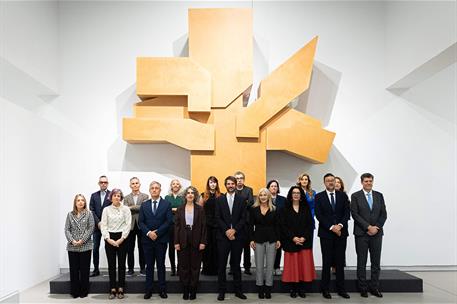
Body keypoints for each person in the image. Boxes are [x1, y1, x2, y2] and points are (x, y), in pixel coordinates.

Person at [351, 173, 387, 298]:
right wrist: (368, 227)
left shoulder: (379, 196)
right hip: (362, 234)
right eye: (366, 181)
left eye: (370, 181)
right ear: (362, 182)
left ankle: (374, 287)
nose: (368, 183)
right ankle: (363, 288)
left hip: (377, 234)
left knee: (375, 262)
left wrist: (376, 227)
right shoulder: (355, 196)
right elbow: (355, 215)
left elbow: (384, 214)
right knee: (361, 262)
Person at [315, 173, 351, 299]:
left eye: (332, 180)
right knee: (327, 262)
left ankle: (341, 289)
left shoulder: (342, 195)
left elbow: (347, 212)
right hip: (326, 234)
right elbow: (319, 215)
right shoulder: (319, 196)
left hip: (341, 233)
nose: (330, 182)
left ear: (335, 182)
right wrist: (332, 227)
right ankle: (325, 289)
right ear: (324, 183)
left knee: (340, 262)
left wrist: (340, 226)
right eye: (328, 181)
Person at [139, 181, 173, 299]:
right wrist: (149, 233)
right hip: (147, 240)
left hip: (161, 240)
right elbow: (141, 222)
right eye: (152, 188)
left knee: (161, 265)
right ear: (149, 190)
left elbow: (168, 221)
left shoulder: (166, 204)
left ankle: (162, 290)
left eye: (156, 188)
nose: (154, 190)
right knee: (149, 266)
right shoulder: (144, 205)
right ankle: (148, 290)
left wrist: (157, 233)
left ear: (160, 190)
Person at [215, 176, 248, 301]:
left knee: (236, 265)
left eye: (232, 183)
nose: (230, 185)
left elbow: (244, 218)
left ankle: (238, 291)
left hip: (237, 237)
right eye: (228, 183)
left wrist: (234, 230)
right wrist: (227, 230)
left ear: (235, 185)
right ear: (225, 185)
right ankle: (221, 291)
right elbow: (217, 217)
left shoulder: (241, 199)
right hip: (223, 237)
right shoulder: (219, 200)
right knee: (222, 265)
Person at [280, 186, 316, 298]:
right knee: (292, 267)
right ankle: (293, 288)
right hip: (290, 242)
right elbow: (283, 226)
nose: (296, 195)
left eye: (298, 193)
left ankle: (302, 288)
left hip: (304, 242)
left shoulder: (306, 208)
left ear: (301, 196)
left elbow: (310, 225)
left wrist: (303, 237)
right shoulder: (284, 208)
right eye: (294, 193)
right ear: (291, 195)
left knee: (303, 266)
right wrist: (293, 238)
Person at [174, 186, 207, 300]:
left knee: (195, 266)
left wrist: (203, 242)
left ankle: (193, 290)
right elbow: (176, 227)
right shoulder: (180, 209)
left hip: (196, 238)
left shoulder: (200, 209)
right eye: (188, 193)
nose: (190, 195)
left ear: (195, 195)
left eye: (192, 193)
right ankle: (185, 289)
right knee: (183, 266)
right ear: (185, 195)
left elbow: (203, 227)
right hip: (183, 238)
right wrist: (176, 242)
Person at [100, 188, 132, 299]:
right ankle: (112, 288)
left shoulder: (126, 209)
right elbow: (103, 225)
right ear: (111, 197)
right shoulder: (106, 210)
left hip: (122, 238)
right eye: (115, 195)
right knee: (111, 265)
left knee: (122, 265)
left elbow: (128, 224)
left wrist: (121, 239)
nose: (117, 197)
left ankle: (121, 288)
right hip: (109, 238)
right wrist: (108, 239)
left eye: (119, 196)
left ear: (121, 198)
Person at [249, 188, 281, 299]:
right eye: (261, 195)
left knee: (270, 265)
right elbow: (250, 226)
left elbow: (278, 226)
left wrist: (278, 239)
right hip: (258, 239)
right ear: (259, 197)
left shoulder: (274, 209)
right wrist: (251, 239)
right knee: (259, 266)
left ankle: (268, 288)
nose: (263, 197)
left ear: (268, 196)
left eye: (265, 195)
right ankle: (260, 288)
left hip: (272, 239)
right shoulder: (254, 209)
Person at [64, 194, 95, 298]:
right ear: (75, 203)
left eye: (82, 200)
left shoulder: (89, 214)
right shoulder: (70, 214)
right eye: (78, 200)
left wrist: (82, 240)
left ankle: (84, 291)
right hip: (72, 246)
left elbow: (91, 228)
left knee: (84, 270)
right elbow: (67, 229)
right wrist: (72, 240)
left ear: (85, 202)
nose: (80, 202)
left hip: (85, 246)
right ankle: (74, 291)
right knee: (74, 270)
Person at [123, 177, 149, 276]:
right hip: (130, 226)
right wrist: (137, 207)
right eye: (133, 183)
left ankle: (143, 268)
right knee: (130, 248)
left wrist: (131, 207)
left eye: (136, 183)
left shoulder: (145, 196)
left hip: (141, 225)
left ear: (139, 184)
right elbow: (125, 210)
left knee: (142, 248)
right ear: (130, 185)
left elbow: (144, 207)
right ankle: (130, 269)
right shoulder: (126, 197)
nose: (135, 185)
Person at [89, 175, 111, 277]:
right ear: (99, 183)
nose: (103, 184)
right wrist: (98, 222)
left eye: (105, 182)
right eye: (101, 182)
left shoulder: (112, 195)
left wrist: (104, 223)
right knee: (95, 248)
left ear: (107, 183)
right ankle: (96, 269)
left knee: (109, 248)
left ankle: (111, 269)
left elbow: (112, 209)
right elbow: (92, 210)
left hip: (109, 226)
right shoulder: (94, 195)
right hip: (96, 226)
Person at [234, 171, 254, 275]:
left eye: (241, 178)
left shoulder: (249, 190)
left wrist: (238, 204)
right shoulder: (232, 190)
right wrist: (243, 202)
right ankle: (234, 268)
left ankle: (247, 267)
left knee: (246, 247)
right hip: (235, 223)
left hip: (246, 222)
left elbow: (250, 203)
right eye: (237, 178)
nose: (239, 180)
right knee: (235, 246)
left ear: (244, 179)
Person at [200, 176, 222, 275]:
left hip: (218, 225)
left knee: (217, 248)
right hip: (207, 225)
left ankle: (216, 269)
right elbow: (200, 211)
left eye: (214, 182)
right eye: (210, 182)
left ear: (217, 184)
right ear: (208, 184)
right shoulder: (203, 195)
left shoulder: (221, 195)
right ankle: (206, 269)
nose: (212, 184)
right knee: (207, 247)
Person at [267, 179, 286, 276]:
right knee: (269, 249)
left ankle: (277, 267)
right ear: (268, 188)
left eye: (275, 186)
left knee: (278, 248)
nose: (274, 187)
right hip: (268, 227)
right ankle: (270, 267)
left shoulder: (283, 199)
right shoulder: (265, 198)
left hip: (280, 227)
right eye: (272, 186)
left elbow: (286, 214)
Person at [165, 179, 184, 276]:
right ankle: (173, 268)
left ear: (179, 186)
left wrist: (173, 209)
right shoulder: (167, 197)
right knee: (171, 248)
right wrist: (177, 209)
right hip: (170, 226)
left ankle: (180, 267)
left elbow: (184, 210)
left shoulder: (183, 197)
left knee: (180, 247)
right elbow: (166, 210)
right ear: (171, 186)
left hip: (181, 226)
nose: (175, 185)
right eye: (173, 184)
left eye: (177, 184)